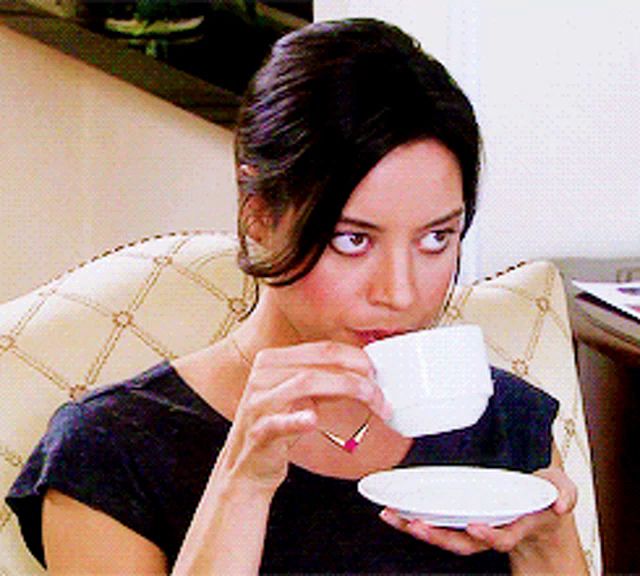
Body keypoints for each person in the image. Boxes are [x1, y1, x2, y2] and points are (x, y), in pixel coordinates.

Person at [7, 18, 587, 574]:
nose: (400, 292)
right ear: (258, 216)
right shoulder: (112, 453)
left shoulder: (505, 424)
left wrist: (546, 540)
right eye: (353, 240)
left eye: (436, 239)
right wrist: (242, 483)